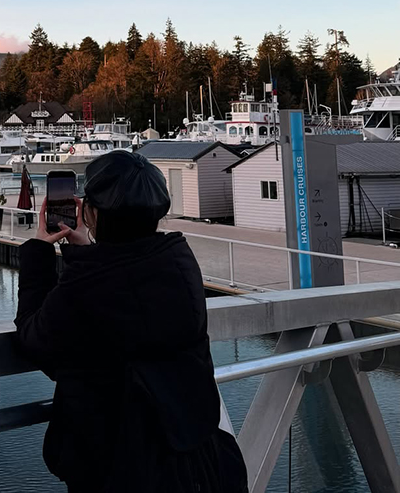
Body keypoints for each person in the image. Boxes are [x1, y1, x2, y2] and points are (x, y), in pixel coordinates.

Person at [15, 150, 248, 493]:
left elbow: (36, 340)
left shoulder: (85, 289)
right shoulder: (178, 261)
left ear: (91, 213)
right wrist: (84, 253)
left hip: (117, 468)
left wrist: (38, 251)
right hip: (193, 462)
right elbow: (126, 299)